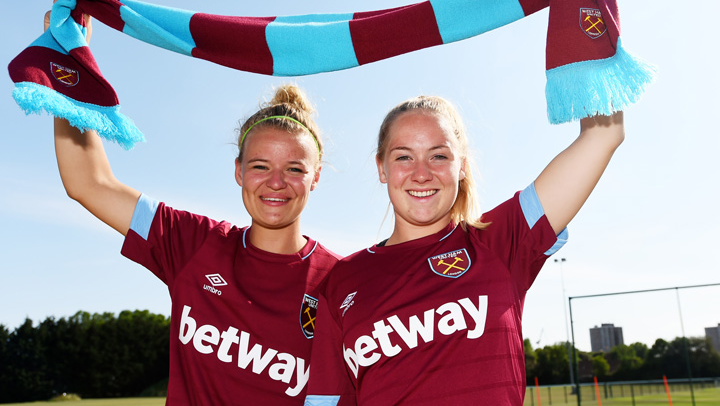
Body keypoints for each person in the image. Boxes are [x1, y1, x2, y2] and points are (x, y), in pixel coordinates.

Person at [46, 10, 340, 405]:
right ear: (238, 171)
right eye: (259, 166)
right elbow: (88, 183)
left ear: (315, 177)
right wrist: (67, 61)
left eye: (294, 168)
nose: (275, 182)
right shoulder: (194, 244)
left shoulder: (342, 282)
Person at [304, 96, 624, 405]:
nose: (421, 173)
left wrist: (584, 39)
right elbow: (327, 400)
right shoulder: (340, 282)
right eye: (403, 156)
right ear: (382, 168)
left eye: (439, 156)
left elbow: (604, 134)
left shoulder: (499, 241)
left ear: (462, 167)